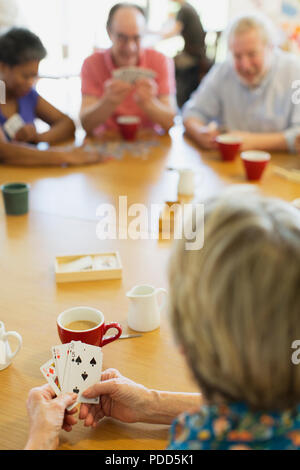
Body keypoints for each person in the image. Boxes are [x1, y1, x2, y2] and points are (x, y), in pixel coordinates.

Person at [25, 187, 300, 450]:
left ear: (187, 346)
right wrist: (150, 403)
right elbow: (251, 409)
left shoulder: (195, 441)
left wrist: (40, 440)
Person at [183, 14, 300, 153]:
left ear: (270, 48)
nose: (245, 65)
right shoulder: (223, 70)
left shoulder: (295, 71)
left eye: (252, 54)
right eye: (237, 56)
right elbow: (191, 112)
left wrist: (252, 142)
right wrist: (200, 132)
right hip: (229, 166)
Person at [0, 28, 105, 166]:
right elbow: (3, 152)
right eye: (25, 76)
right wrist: (66, 156)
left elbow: (68, 124)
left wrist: (37, 138)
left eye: (34, 76)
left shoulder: (27, 95)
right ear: (2, 67)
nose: (31, 82)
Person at [80, 3, 176, 137]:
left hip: (150, 145)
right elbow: (86, 125)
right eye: (122, 38)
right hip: (107, 143)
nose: (130, 47)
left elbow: (170, 123)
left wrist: (149, 103)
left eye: (136, 38)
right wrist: (108, 102)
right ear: (109, 33)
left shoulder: (160, 61)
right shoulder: (92, 63)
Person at [160, 0, 211, 108]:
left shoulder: (184, 10)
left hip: (193, 56)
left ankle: (175, 104)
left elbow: (174, 31)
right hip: (199, 54)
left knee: (167, 64)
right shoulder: (189, 8)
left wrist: (157, 35)